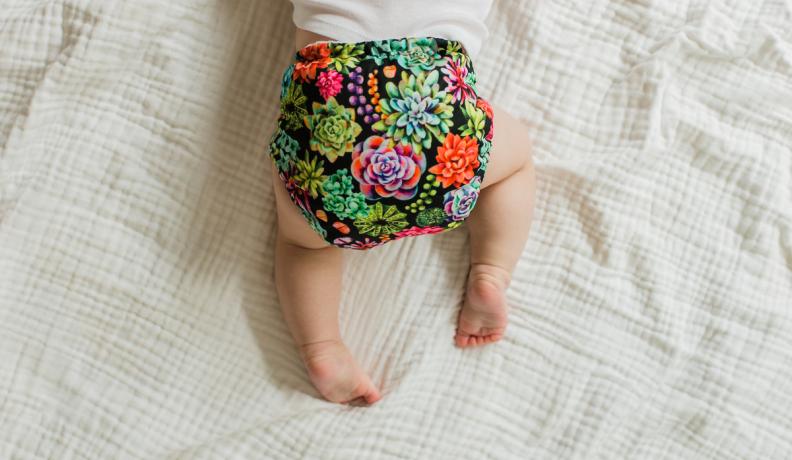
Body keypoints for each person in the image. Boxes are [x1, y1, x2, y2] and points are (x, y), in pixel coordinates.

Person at [267, 0, 536, 405]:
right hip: (438, 135)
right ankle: (491, 273)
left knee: (303, 245)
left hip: (330, 132)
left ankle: (321, 347)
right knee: (515, 163)